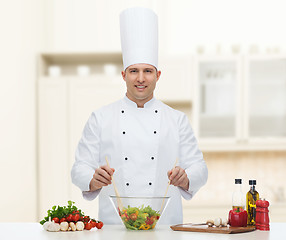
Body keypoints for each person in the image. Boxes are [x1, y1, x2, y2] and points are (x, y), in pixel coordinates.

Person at [71, 7, 208, 225]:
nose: (141, 78)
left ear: (158, 75)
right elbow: (79, 168)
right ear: (124, 75)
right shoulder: (100, 118)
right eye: (134, 71)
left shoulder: (177, 120)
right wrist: (92, 179)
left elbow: (200, 168)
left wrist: (187, 177)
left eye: (148, 71)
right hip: (114, 228)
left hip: (165, 227)